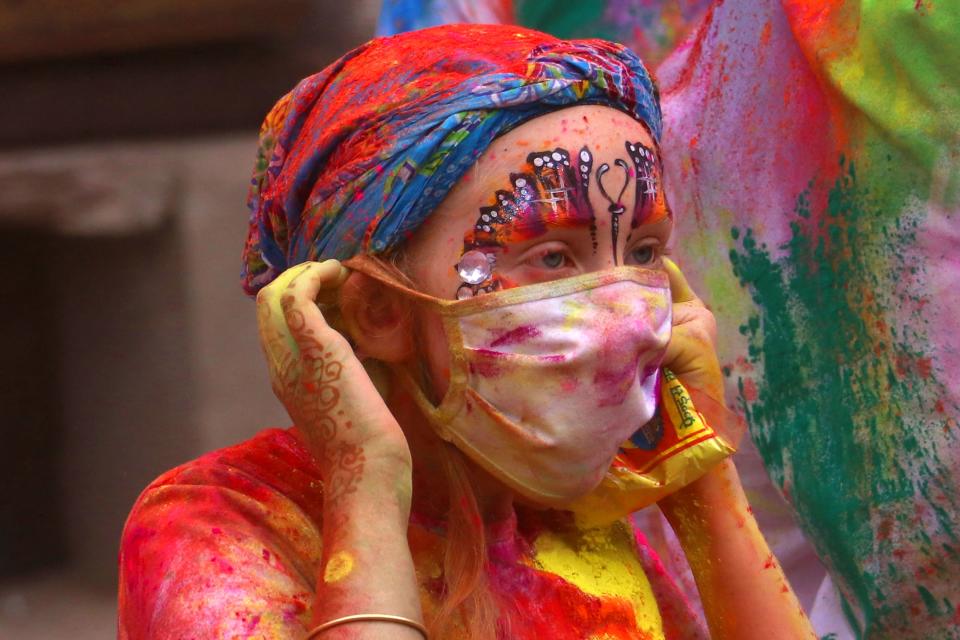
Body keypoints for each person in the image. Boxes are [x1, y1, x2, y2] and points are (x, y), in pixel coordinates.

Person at [118, 24, 816, 639]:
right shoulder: (216, 524)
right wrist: (366, 484)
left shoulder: (573, 521)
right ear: (376, 312)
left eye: (642, 253)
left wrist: (700, 475)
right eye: (551, 257)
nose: (632, 319)